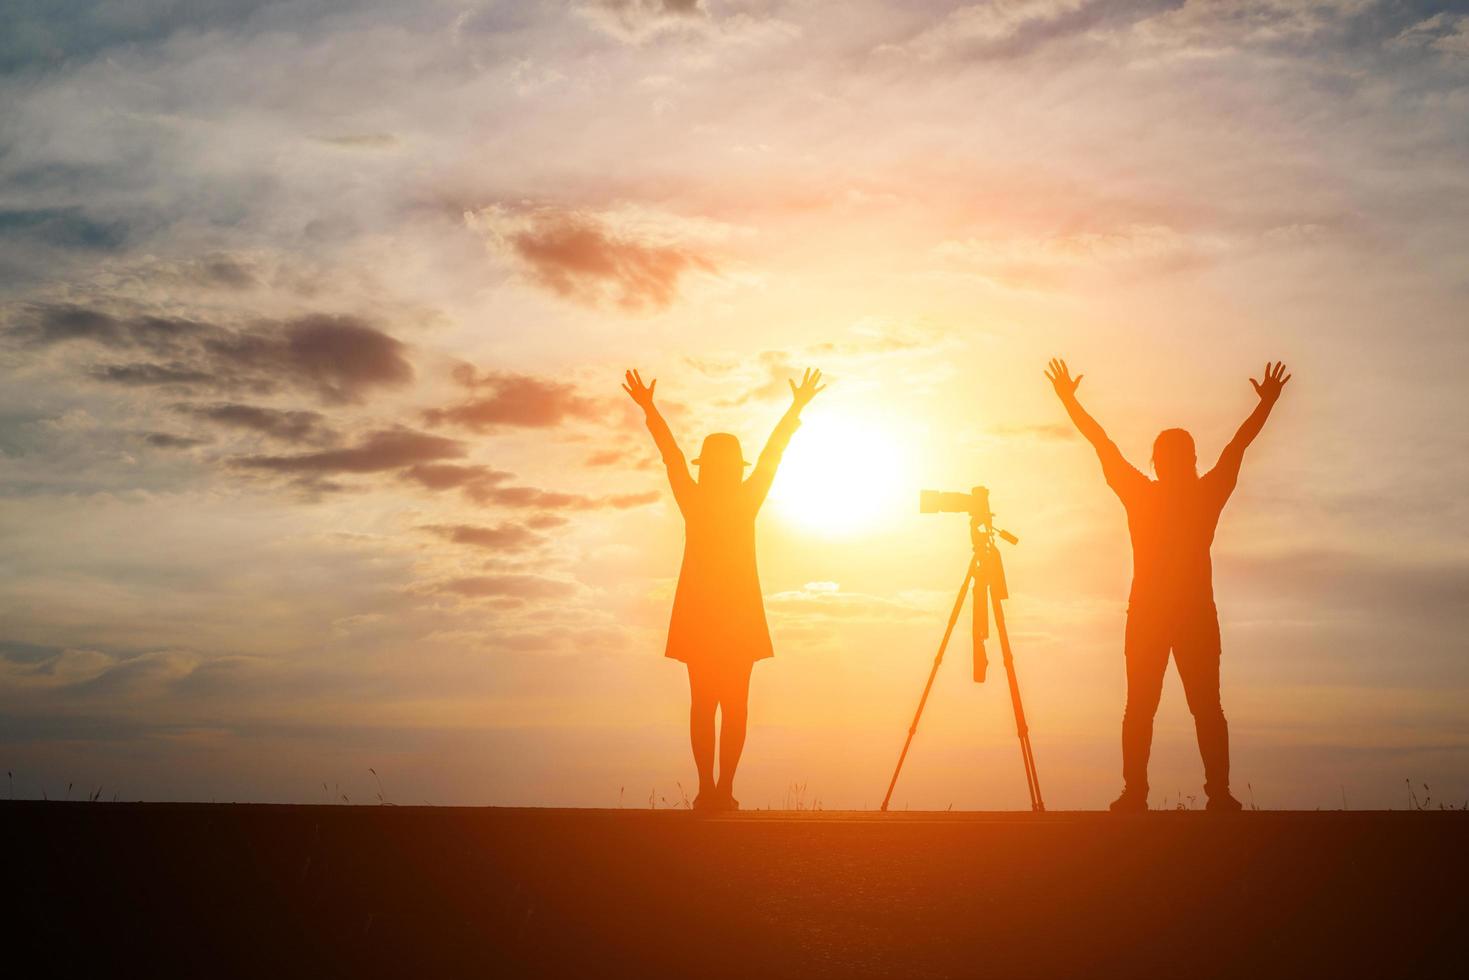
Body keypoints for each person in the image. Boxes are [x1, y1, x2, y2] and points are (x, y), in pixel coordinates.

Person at [1045, 358, 1292, 812]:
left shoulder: (1149, 493)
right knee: (1192, 709)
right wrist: (1267, 405)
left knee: (1151, 709)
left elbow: (1104, 445)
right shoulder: (1202, 493)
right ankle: (1204, 795)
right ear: (1184, 461)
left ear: (1159, 462)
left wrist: (1070, 401)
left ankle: (1149, 795)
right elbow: (1237, 445)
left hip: (1161, 616)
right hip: (1177, 615)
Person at [623, 366, 825, 811]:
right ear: (735, 468)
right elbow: (774, 453)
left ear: (709, 467)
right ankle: (722, 790)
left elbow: (672, 456)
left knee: (705, 705)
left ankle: (709, 790)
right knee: (732, 706)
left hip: (703, 615)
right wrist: (793, 408)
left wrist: (651, 409)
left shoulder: (697, 501)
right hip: (735, 616)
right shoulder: (744, 499)